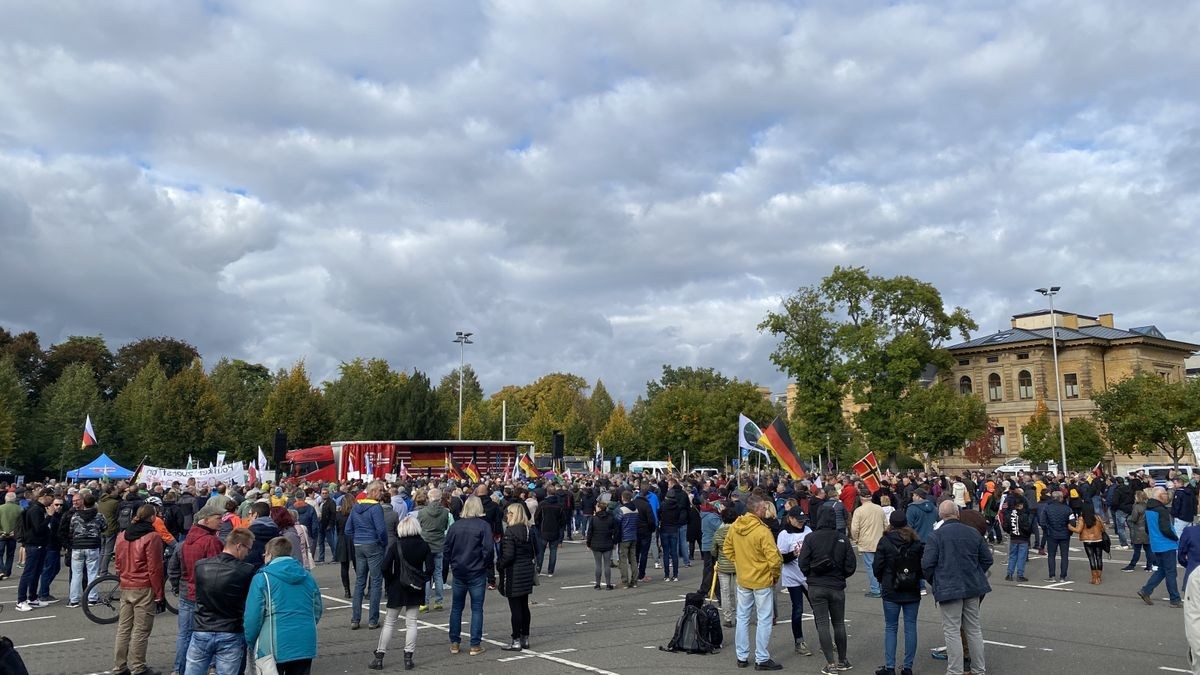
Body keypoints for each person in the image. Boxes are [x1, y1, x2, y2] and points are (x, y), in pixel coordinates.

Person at [922, 500, 991, 675]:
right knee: (973, 629)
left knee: (952, 630)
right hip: (972, 585)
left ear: (940, 515)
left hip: (948, 586)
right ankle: (978, 669)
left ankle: (955, 671)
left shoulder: (935, 536)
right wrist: (976, 572)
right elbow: (987, 559)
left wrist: (936, 580)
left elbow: (927, 564)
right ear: (957, 513)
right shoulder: (973, 533)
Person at [245, 537, 323, 675]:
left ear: (269, 554)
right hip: (304, 640)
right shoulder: (307, 576)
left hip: (272, 643)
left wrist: (250, 641)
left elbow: (253, 616)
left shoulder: (262, 578)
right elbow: (316, 608)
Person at [723, 494, 784, 671]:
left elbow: (727, 548)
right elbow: (774, 558)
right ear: (757, 509)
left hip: (744, 578)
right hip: (761, 579)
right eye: (764, 507)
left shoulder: (736, 526)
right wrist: (774, 576)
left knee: (742, 617)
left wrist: (739, 563)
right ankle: (762, 658)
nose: (766, 510)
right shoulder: (762, 531)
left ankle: (742, 656)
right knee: (764, 619)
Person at [185, 527, 256, 675]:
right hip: (230, 630)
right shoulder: (247, 570)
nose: (248, 553)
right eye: (248, 549)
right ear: (239, 546)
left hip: (202, 628)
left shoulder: (201, 565)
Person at [799, 504, 857, 675]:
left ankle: (830, 663)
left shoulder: (811, 538)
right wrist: (841, 576)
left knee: (823, 623)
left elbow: (802, 563)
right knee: (838, 623)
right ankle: (843, 660)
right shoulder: (842, 539)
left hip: (816, 585)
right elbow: (851, 565)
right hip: (836, 585)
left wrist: (811, 574)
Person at [370, 516, 434, 671]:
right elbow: (431, 568)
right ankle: (408, 657)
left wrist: (391, 580)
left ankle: (379, 656)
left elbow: (384, 567)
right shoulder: (424, 545)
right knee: (411, 622)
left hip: (397, 585)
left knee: (390, 622)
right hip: (415, 586)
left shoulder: (395, 545)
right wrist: (422, 579)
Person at [112, 504, 166, 675]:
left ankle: (119, 666)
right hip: (143, 585)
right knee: (141, 629)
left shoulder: (122, 535)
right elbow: (155, 567)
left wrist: (122, 576)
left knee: (124, 628)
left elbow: (118, 562)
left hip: (127, 584)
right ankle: (138, 666)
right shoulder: (152, 537)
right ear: (152, 518)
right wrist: (159, 593)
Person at [173, 501, 225, 675]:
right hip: (205, 594)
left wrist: (176, 586)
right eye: (218, 518)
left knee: (184, 634)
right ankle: (209, 667)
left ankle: (179, 669)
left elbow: (174, 567)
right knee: (209, 633)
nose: (222, 521)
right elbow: (217, 571)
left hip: (187, 590)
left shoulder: (186, 540)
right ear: (206, 520)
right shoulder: (212, 541)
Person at [873, 509, 925, 675]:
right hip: (911, 587)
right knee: (910, 627)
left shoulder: (885, 541)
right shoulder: (916, 542)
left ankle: (890, 667)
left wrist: (882, 580)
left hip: (891, 588)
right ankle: (908, 666)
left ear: (891, 524)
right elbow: (922, 565)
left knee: (891, 627)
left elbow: (877, 566)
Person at [444, 496, 494, 655]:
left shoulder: (455, 526)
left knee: (457, 607)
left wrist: (452, 564)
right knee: (477, 608)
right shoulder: (483, 526)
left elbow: (447, 549)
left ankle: (454, 642)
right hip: (476, 570)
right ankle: (474, 644)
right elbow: (488, 550)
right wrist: (485, 565)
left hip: (459, 570)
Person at [346, 480, 388, 630]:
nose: (382, 493)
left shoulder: (356, 506)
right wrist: (382, 542)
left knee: (359, 582)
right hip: (373, 544)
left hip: (359, 544)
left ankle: (355, 619)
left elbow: (348, 529)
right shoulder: (376, 508)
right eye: (381, 491)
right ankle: (372, 619)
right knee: (376, 582)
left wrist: (357, 538)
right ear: (374, 492)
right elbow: (381, 529)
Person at [497, 502, 537, 652]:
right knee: (524, 606)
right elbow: (534, 551)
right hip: (526, 569)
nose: (506, 515)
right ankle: (525, 637)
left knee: (516, 609)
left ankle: (516, 640)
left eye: (508, 513)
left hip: (514, 571)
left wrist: (499, 565)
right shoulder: (528, 530)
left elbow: (508, 556)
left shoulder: (510, 532)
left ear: (513, 514)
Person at [777, 506, 813, 657]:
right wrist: (794, 553)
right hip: (792, 575)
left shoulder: (808, 531)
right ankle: (799, 641)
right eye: (798, 521)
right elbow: (781, 558)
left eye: (803, 520)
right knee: (798, 608)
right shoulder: (785, 534)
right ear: (790, 519)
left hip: (808, 575)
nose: (801, 523)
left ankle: (826, 639)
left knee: (817, 607)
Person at [1138, 486, 1182, 608]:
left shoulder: (1149, 509)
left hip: (1156, 544)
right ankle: (1175, 599)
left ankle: (1146, 590)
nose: (1166, 496)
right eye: (1164, 494)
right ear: (1159, 496)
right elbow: (1165, 529)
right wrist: (1175, 537)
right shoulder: (1161, 510)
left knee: (1162, 570)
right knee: (1171, 572)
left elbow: (1147, 528)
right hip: (1167, 544)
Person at [65, 491, 107, 608]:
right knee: (92, 573)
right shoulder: (99, 516)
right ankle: (92, 598)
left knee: (76, 574)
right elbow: (104, 527)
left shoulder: (76, 516)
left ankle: (74, 599)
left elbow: (71, 529)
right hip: (92, 546)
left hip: (78, 546)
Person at [415, 488, 449, 612]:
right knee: (438, 574)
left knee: (426, 574)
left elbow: (419, 527)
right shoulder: (445, 512)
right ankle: (439, 601)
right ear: (440, 499)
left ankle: (424, 602)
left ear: (429, 498)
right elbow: (445, 526)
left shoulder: (422, 512)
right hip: (439, 544)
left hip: (426, 545)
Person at [851, 491, 886, 598]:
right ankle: (882, 587)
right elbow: (886, 524)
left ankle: (875, 589)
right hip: (879, 540)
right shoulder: (879, 509)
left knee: (871, 566)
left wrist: (856, 539)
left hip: (866, 541)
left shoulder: (859, 511)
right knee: (881, 565)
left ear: (861, 499)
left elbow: (854, 528)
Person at [1038, 491, 1074, 582]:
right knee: (1064, 556)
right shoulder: (1067, 509)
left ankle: (1052, 576)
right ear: (1061, 498)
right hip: (1065, 534)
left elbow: (1042, 522)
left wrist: (1047, 530)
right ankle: (1063, 576)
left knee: (1051, 556)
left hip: (1052, 534)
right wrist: (1069, 532)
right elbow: (1073, 522)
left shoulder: (1047, 508)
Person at [1069, 503, 1107, 584]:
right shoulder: (1097, 517)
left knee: (1091, 558)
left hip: (1087, 540)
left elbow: (1078, 530)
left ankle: (1094, 578)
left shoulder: (1082, 518)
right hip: (1098, 539)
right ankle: (1099, 577)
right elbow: (1103, 528)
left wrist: (1070, 527)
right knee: (1099, 558)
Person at [534, 488, 567, 578]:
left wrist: (538, 526)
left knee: (541, 551)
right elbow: (563, 520)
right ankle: (550, 570)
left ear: (547, 493)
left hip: (544, 530)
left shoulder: (542, 504)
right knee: (553, 551)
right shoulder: (559, 505)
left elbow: (536, 517)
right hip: (554, 530)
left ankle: (538, 569)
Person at [586, 498, 618, 589]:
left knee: (598, 564)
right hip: (607, 542)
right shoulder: (611, 518)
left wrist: (588, 543)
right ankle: (608, 584)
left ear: (599, 508)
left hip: (596, 543)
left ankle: (598, 584)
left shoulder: (593, 519)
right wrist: (614, 542)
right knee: (607, 565)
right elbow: (616, 531)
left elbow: (590, 532)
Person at [1003, 494, 1033, 582]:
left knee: (1012, 556)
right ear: (1020, 505)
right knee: (1021, 557)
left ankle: (1009, 574)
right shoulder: (1024, 515)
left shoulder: (1009, 515)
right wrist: (1027, 534)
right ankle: (1020, 575)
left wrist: (1010, 531)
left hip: (1013, 537)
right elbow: (1027, 527)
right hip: (1023, 538)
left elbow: (1005, 526)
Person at [1124, 490, 1153, 571]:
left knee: (1137, 550)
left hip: (1139, 530)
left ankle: (1132, 565)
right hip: (1147, 530)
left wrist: (1128, 519)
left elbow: (1134, 518)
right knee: (1148, 550)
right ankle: (1149, 565)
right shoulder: (1148, 506)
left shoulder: (1137, 507)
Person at [616, 491, 640, 588]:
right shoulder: (636, 510)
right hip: (633, 536)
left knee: (623, 560)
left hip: (624, 537)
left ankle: (625, 581)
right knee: (633, 559)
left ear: (623, 498)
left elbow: (618, 523)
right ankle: (634, 581)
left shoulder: (622, 510)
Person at [335, 493, 357, 598]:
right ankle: (359, 588)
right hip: (353, 539)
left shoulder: (338, 514)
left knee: (344, 567)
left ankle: (347, 590)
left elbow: (337, 528)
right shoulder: (355, 514)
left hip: (342, 539)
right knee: (358, 566)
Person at [0, 491, 21, 580]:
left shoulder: (0, 508)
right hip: (13, 535)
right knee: (10, 555)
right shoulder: (20, 509)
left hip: (1, 535)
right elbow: (21, 524)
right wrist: (15, 532)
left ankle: (1, 570)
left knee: (0, 554)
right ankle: (7, 572)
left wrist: (1, 532)